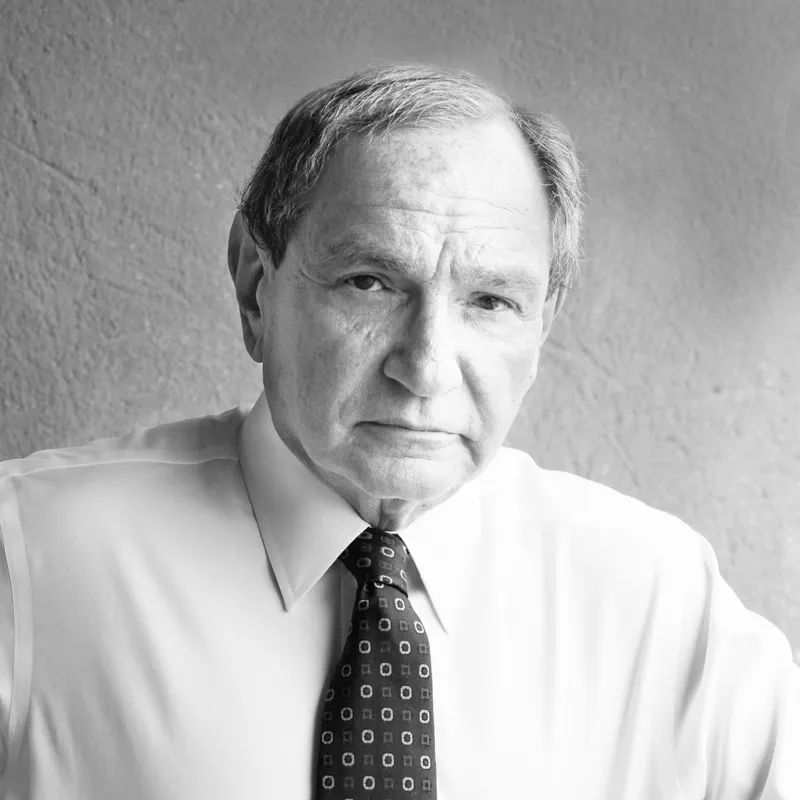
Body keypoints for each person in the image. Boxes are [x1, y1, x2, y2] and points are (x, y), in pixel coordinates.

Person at [0, 64, 797, 800]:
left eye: (490, 301)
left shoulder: (661, 602)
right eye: (370, 283)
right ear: (255, 288)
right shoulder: (28, 560)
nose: (426, 368)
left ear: (542, 324)